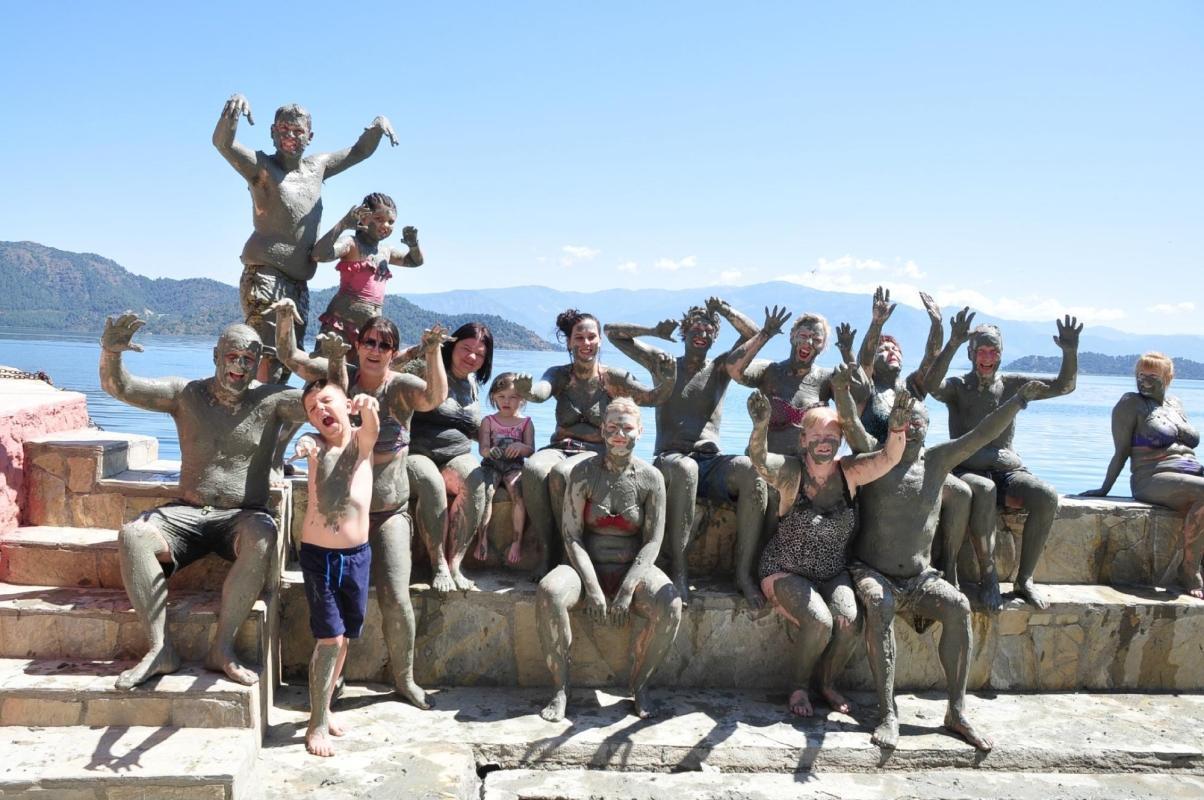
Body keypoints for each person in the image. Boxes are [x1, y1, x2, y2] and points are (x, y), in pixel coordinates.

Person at [99, 314, 308, 689]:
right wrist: (111, 353)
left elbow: (327, 402)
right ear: (216, 355)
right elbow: (121, 387)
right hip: (186, 514)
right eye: (233, 356)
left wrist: (329, 363)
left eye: (249, 359)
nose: (240, 367)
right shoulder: (185, 394)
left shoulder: (271, 400)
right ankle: (161, 648)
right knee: (133, 536)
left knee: (263, 534)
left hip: (243, 516)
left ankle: (222, 648)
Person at [837, 375, 1043, 752]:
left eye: (919, 420)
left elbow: (980, 434)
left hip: (920, 577)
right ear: (893, 422)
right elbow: (849, 422)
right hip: (871, 571)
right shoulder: (875, 456)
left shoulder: (937, 461)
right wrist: (840, 388)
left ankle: (957, 711)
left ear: (928, 429)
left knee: (959, 606)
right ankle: (887, 712)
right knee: (879, 604)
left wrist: (1017, 403)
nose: (912, 425)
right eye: (905, 418)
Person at [275, 300, 448, 707]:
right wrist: (285, 318)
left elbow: (436, 396)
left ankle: (404, 679)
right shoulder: (339, 381)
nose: (374, 349)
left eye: (384, 345)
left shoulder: (401, 386)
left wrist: (434, 350)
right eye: (368, 341)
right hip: (339, 521)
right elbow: (290, 357)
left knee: (395, 595)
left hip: (388, 511)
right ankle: (332, 680)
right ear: (357, 345)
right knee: (328, 608)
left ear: (392, 351)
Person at [605, 299, 790, 606]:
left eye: (708, 328)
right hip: (671, 461)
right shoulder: (663, 362)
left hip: (710, 461)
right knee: (685, 470)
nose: (702, 332)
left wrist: (727, 311)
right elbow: (612, 333)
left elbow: (754, 334)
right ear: (685, 331)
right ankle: (679, 569)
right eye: (696, 327)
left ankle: (744, 574)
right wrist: (653, 330)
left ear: (714, 337)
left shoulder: (719, 368)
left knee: (750, 471)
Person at [747, 381, 911, 718]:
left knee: (849, 621)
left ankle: (827, 682)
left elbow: (890, 457)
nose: (825, 443)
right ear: (803, 440)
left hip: (831, 571)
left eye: (832, 437)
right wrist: (761, 425)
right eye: (817, 437)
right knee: (820, 622)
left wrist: (897, 428)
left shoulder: (849, 472)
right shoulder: (792, 473)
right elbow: (760, 462)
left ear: (841, 440)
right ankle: (798, 686)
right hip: (785, 569)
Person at [213, 93, 397, 382]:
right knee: (271, 360)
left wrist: (377, 126)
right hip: (266, 277)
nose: (290, 136)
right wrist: (232, 113)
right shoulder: (261, 168)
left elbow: (359, 151)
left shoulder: (317, 167)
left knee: (288, 363)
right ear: (273, 133)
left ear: (310, 136)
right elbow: (223, 143)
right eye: (284, 129)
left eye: (298, 131)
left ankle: (263, 422)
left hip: (298, 286)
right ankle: (248, 419)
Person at [841, 292, 1001, 608]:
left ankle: (949, 564)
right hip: (878, 464)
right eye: (885, 348)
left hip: (917, 467)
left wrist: (938, 324)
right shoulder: (867, 389)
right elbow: (865, 361)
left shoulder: (911, 389)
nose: (891, 352)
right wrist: (877, 325)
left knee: (962, 493)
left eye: (895, 348)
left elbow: (931, 358)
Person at [536, 397, 682, 722]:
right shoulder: (584, 473)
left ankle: (640, 685)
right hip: (586, 565)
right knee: (549, 592)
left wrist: (628, 588)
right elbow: (571, 535)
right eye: (612, 427)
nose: (619, 434)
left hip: (632, 567)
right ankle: (560, 688)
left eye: (626, 428)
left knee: (670, 603)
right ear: (602, 430)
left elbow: (653, 541)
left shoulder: (650, 478)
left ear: (640, 432)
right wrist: (592, 587)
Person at [924, 317, 1082, 609]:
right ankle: (988, 578)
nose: (987, 358)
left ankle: (1024, 580)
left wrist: (1069, 351)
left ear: (1001, 355)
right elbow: (930, 385)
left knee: (1046, 496)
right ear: (971, 354)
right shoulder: (958, 387)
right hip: (967, 470)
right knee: (983, 489)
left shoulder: (1013, 385)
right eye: (981, 351)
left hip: (1008, 470)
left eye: (993, 352)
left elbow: (1065, 387)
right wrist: (952, 342)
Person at [515, 309, 674, 577]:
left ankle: (568, 557)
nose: (586, 343)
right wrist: (527, 390)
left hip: (594, 453)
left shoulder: (613, 378)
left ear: (600, 341)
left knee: (561, 474)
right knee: (533, 469)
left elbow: (652, 398)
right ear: (569, 342)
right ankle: (548, 549)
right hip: (559, 448)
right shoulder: (559, 375)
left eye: (591, 337)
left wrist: (668, 378)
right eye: (579, 337)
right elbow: (541, 392)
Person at [293, 382, 379, 757]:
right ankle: (314, 725)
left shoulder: (362, 443)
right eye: (312, 407)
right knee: (329, 638)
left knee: (343, 638)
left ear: (346, 404)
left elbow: (371, 427)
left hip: (357, 557)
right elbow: (307, 442)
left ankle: (325, 708)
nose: (320, 410)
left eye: (326, 401)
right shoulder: (315, 443)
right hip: (319, 558)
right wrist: (307, 445)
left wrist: (370, 406)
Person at [1082, 352, 1204, 597]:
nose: (1144, 380)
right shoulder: (1130, 404)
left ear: (1167, 378)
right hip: (1152, 477)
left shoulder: (1175, 404)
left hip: (1189, 472)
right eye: (1141, 374)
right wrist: (1104, 489)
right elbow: (1121, 451)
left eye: (1152, 375)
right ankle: (1189, 569)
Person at [404, 322, 495, 591]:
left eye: (479, 354)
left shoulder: (472, 385)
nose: (472, 357)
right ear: (452, 346)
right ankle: (438, 564)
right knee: (431, 483)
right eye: (466, 349)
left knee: (477, 480)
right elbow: (392, 374)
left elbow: (473, 427)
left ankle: (455, 562)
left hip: (456, 456)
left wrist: (504, 438)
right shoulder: (427, 367)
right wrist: (423, 349)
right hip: (416, 452)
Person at [311, 193, 423, 345]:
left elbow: (414, 261)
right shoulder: (351, 244)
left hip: (369, 328)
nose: (386, 226)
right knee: (328, 364)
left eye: (391, 222)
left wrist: (413, 246)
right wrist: (342, 225)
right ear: (363, 218)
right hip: (340, 322)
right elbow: (319, 255)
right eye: (379, 219)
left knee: (360, 368)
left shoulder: (386, 251)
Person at [476, 372, 536, 564]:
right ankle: (481, 539)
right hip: (492, 465)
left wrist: (521, 447)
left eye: (513, 397)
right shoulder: (488, 421)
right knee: (486, 494)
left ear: (522, 399)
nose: (506, 401)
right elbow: (483, 448)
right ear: (493, 396)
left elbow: (530, 450)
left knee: (518, 495)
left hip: (514, 466)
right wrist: (490, 451)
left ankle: (516, 542)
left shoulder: (525, 422)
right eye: (501, 396)